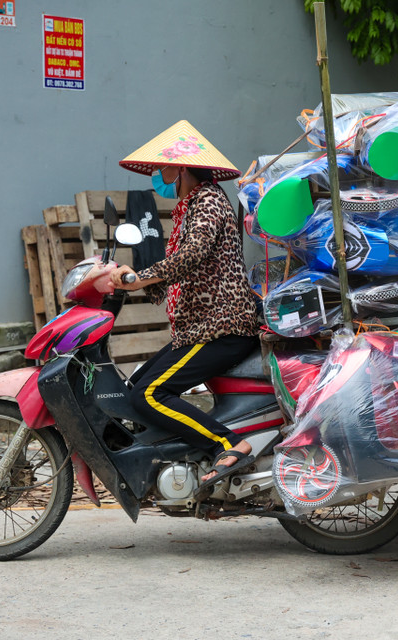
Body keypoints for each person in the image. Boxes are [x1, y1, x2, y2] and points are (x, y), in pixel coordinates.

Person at [111, 120, 260, 498]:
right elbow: (184, 264)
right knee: (135, 388)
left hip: (222, 325)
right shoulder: (192, 205)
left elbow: (193, 255)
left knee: (148, 394)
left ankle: (226, 445)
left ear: (180, 168)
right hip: (200, 329)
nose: (160, 177)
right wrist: (132, 281)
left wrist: (140, 278)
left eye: (163, 168)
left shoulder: (208, 200)